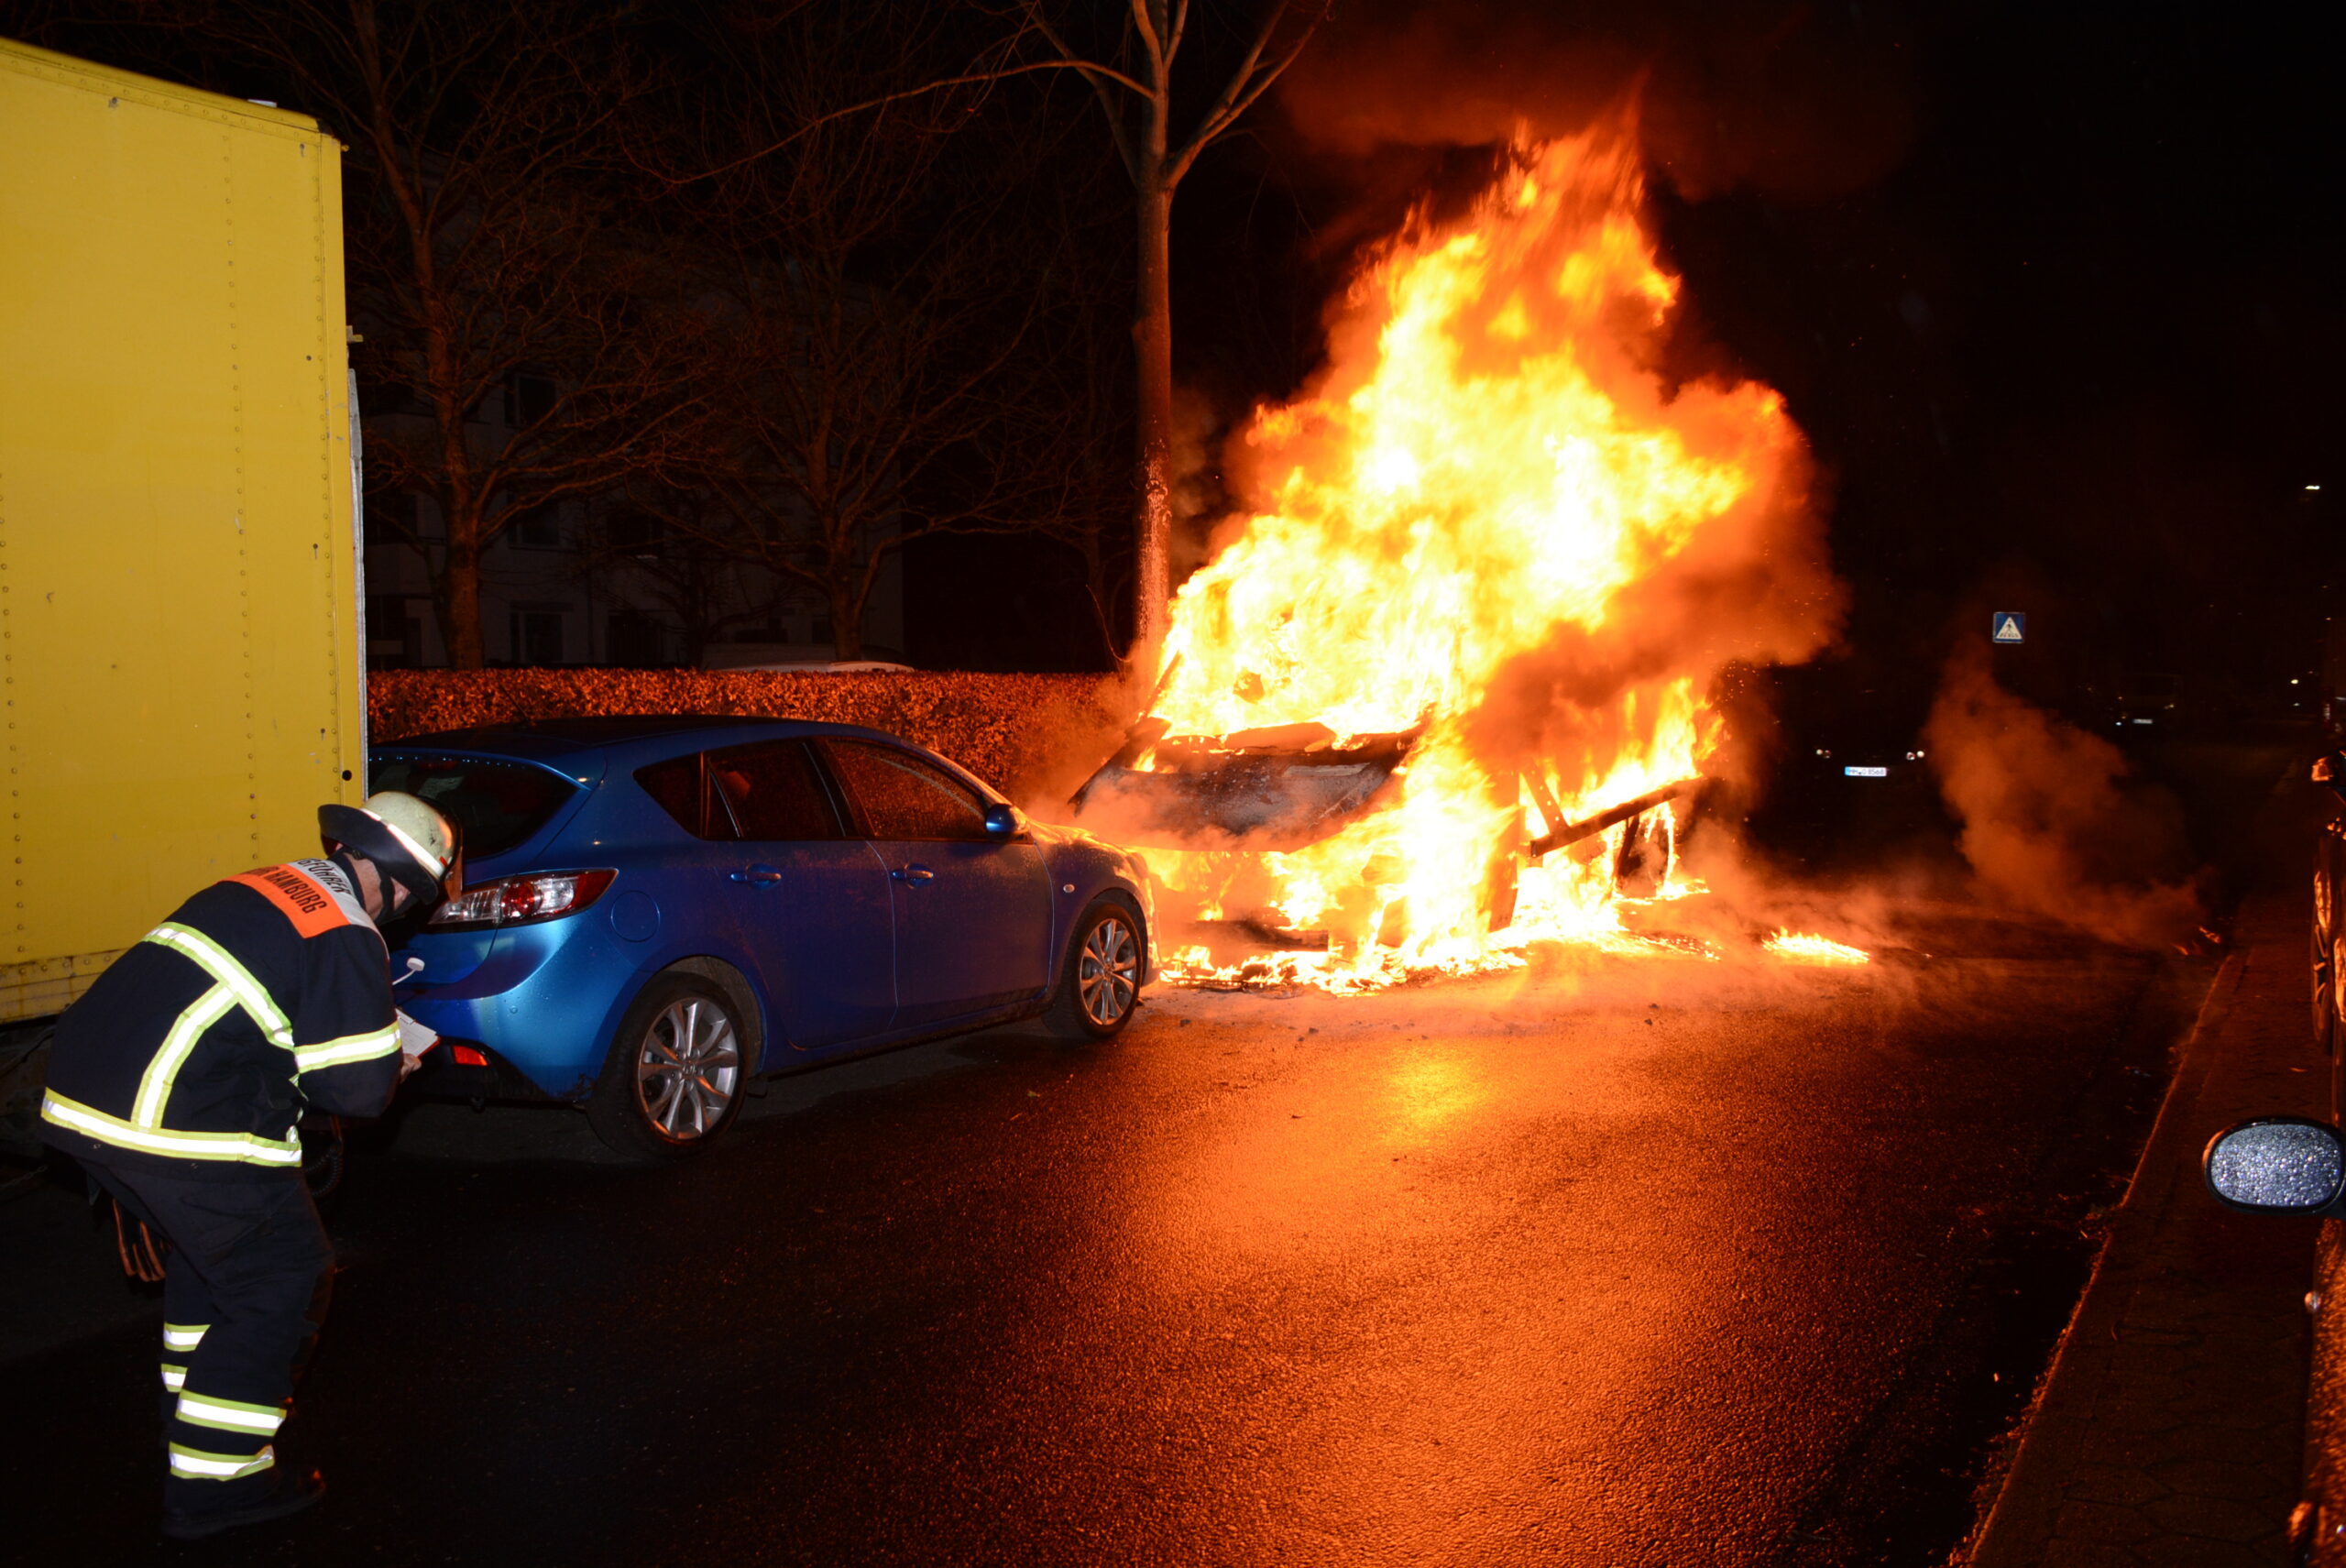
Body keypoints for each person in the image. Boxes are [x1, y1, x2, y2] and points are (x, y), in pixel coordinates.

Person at [38, 792, 461, 1541]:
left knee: (217, 1268)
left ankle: (193, 1430)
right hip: (172, 1113)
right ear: (402, 883)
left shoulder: (265, 884)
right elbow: (356, 1089)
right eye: (413, 899)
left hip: (86, 1092)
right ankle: (218, 1484)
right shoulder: (346, 929)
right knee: (282, 1275)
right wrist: (401, 1058)